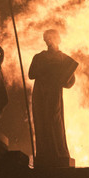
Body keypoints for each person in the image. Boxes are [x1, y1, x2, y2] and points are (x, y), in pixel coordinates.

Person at [29, 29, 78, 167]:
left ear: (57, 39)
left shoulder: (63, 59)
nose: (49, 41)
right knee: (42, 121)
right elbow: (31, 74)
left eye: (52, 38)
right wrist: (45, 70)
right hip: (40, 94)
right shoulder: (39, 57)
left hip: (53, 94)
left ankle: (58, 152)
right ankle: (44, 153)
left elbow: (70, 81)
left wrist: (64, 78)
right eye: (47, 38)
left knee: (54, 120)